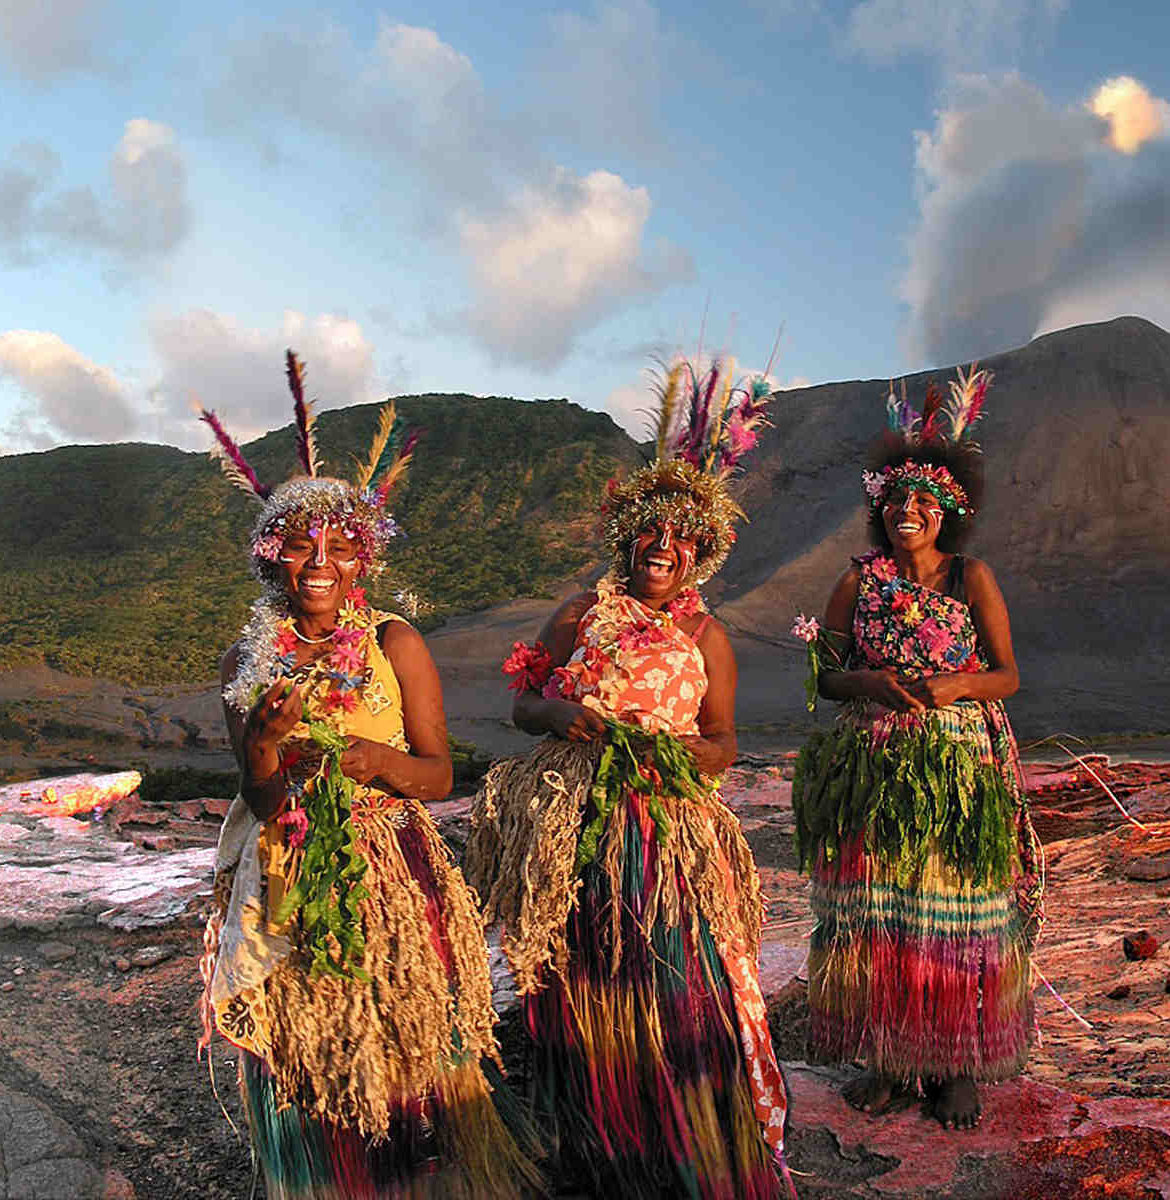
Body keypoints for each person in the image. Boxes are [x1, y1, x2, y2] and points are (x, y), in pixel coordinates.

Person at [197, 357, 536, 1199]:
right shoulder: (249, 660)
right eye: (300, 547)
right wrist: (267, 748)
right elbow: (261, 800)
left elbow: (441, 773)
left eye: (340, 547)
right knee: (311, 1040)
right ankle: (327, 1175)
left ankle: (419, 1172)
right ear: (271, 561)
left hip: (393, 870)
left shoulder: (394, 643)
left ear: (362, 562)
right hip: (287, 876)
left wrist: (381, 764)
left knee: (405, 1036)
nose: (320, 561)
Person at [466, 357, 792, 1197]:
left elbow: (721, 740)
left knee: (672, 977)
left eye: (680, 539)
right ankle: (592, 1137)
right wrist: (558, 716)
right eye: (649, 533)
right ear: (628, 539)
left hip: (664, 828)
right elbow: (524, 703)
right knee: (579, 970)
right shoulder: (580, 611)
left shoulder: (709, 635)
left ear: (699, 555)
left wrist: (682, 759)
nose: (662, 548)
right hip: (575, 817)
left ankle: (674, 1134)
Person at [792, 367, 1042, 1131]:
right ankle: (893, 1059)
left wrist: (955, 688)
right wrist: (868, 685)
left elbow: (1008, 674)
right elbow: (824, 678)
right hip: (872, 762)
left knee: (956, 908)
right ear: (881, 510)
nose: (909, 512)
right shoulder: (855, 582)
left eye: (925, 503)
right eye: (897, 500)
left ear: (948, 514)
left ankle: (957, 1063)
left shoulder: (972, 578)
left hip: (956, 764)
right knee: (881, 908)